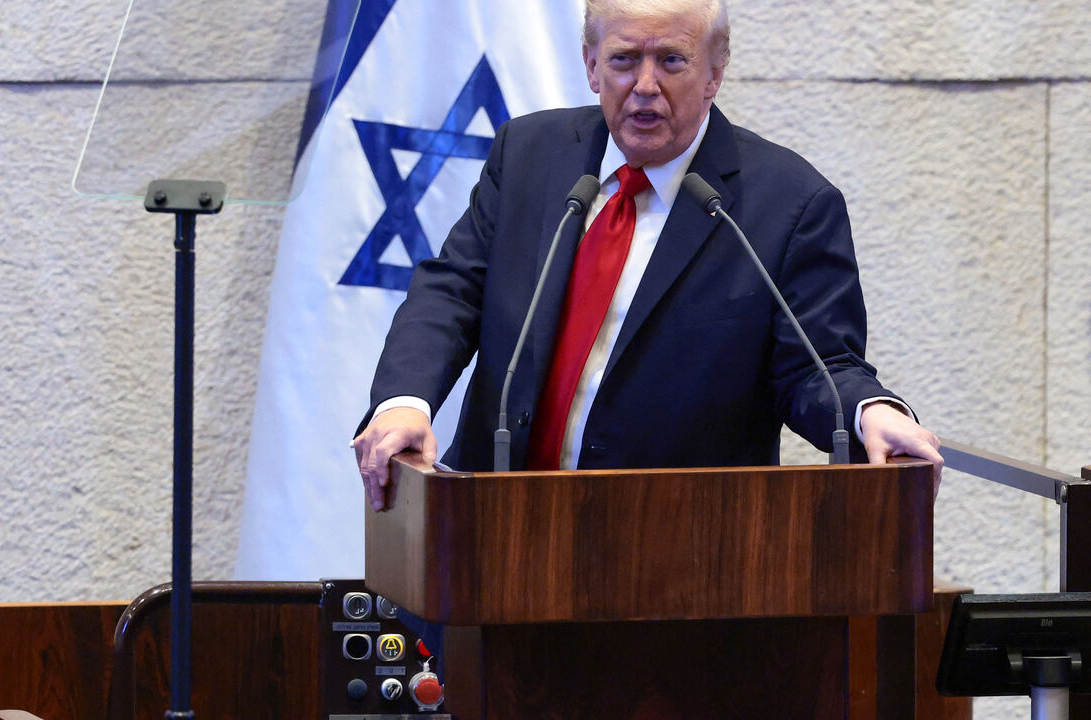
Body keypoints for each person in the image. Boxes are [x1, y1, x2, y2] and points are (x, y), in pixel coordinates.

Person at [352, 0, 942, 510]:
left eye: (672, 60)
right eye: (624, 59)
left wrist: (870, 411)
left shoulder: (787, 205)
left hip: (672, 549)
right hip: (493, 523)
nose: (645, 85)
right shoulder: (529, 154)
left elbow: (818, 366)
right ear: (590, 65)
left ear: (715, 71)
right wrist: (406, 401)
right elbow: (452, 291)